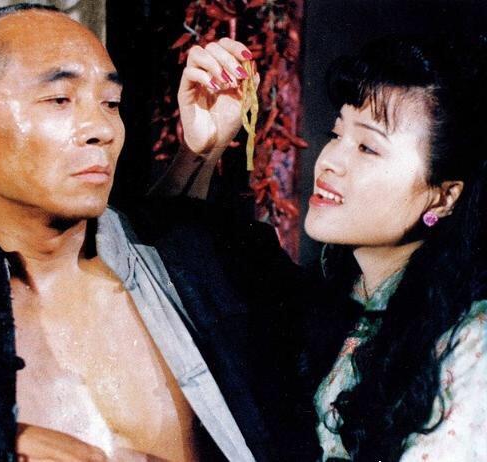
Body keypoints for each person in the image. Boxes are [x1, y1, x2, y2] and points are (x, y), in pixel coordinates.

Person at [0, 4, 307, 461]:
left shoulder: (201, 269)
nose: (101, 129)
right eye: (59, 100)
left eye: (111, 103)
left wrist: (200, 154)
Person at [167, 34, 487, 461]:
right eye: (337, 134)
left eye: (368, 147)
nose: (330, 160)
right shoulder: (324, 306)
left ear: (443, 197)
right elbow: (162, 273)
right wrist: (202, 151)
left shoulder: (471, 344)